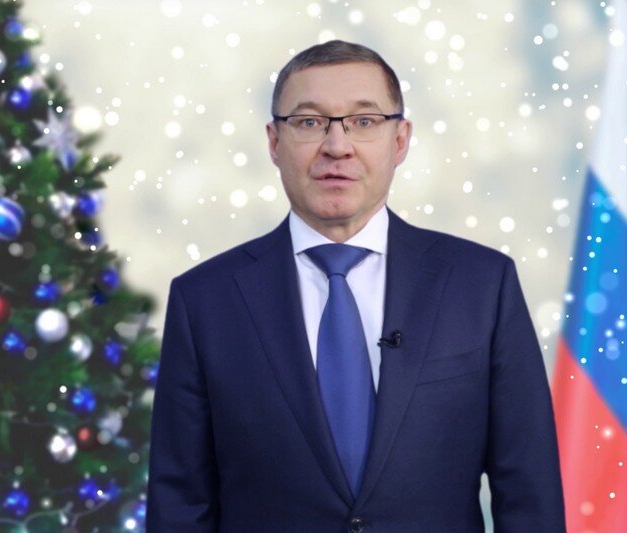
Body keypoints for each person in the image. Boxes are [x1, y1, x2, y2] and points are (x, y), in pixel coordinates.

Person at [147, 40, 565, 532]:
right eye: (309, 122)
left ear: (400, 140)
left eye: (364, 121)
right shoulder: (205, 300)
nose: (337, 146)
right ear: (274, 142)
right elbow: (180, 503)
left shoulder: (482, 285)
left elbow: (529, 493)